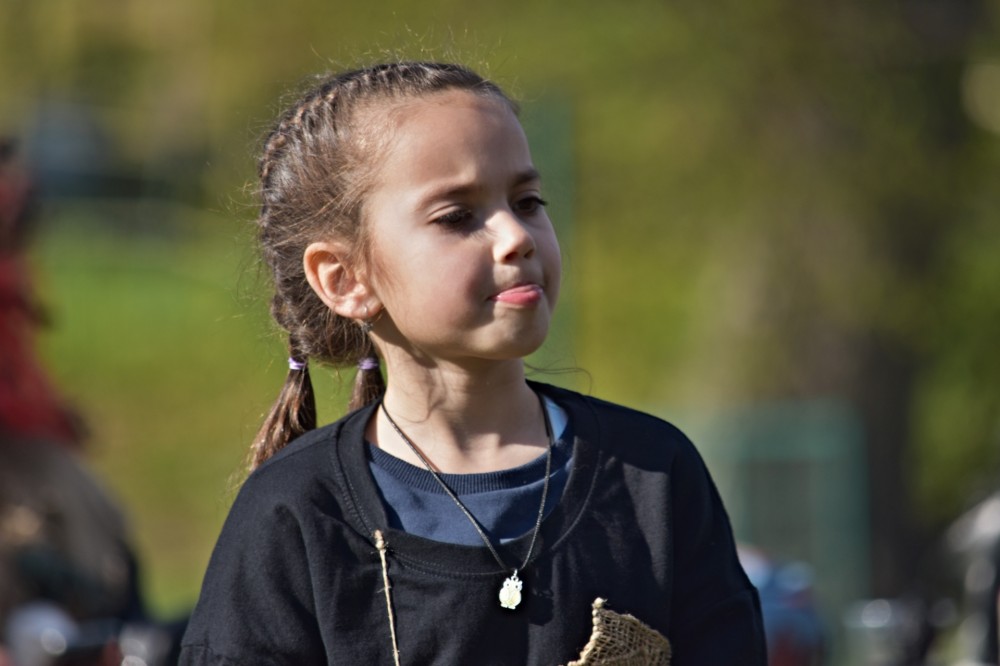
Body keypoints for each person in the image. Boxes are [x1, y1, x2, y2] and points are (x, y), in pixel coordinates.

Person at [179, 62, 766, 665]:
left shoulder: (654, 473)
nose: (517, 236)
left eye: (528, 201)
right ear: (345, 279)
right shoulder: (294, 510)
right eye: (457, 216)